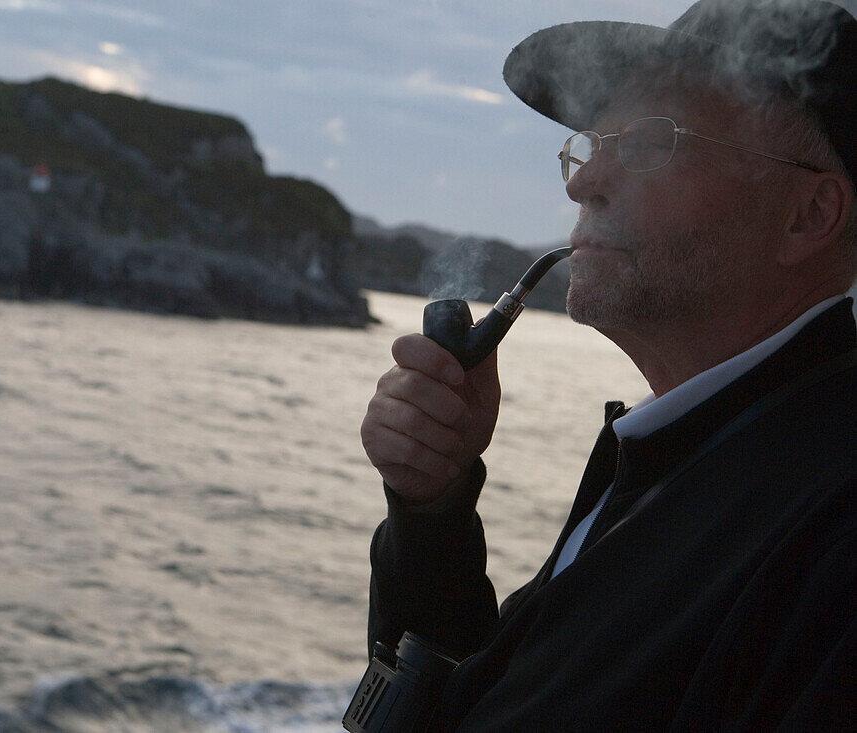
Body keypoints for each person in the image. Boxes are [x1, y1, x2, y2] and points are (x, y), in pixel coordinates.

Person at [358, 0, 857, 729]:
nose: (580, 183)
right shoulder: (680, 457)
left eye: (653, 139)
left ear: (807, 216)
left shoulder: (832, 535)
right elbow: (483, 698)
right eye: (595, 142)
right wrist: (431, 511)